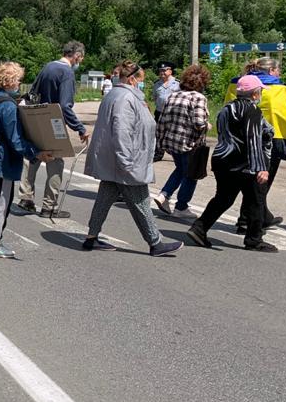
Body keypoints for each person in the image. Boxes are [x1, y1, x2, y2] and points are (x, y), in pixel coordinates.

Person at [82, 61, 183, 256]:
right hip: (125, 160)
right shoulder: (126, 97)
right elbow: (122, 130)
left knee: (104, 198)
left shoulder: (117, 94)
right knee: (141, 202)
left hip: (116, 160)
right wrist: (126, 161)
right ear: (131, 79)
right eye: (140, 80)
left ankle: (91, 237)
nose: (141, 84)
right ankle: (156, 243)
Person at [0, 62, 53, 258]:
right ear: (9, 81)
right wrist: (36, 153)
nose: (19, 83)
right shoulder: (7, 106)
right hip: (1, 161)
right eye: (18, 79)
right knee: (2, 202)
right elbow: (15, 139)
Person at [187, 75, 277, 252]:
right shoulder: (251, 111)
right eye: (259, 92)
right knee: (256, 200)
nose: (260, 95)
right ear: (254, 94)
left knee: (224, 198)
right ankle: (254, 240)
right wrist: (261, 168)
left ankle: (199, 228)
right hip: (244, 163)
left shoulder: (226, 109)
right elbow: (253, 140)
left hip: (222, 160)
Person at [225, 57, 286, 232]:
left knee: (249, 179)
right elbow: (285, 116)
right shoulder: (278, 89)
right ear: (272, 71)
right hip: (271, 139)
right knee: (261, 182)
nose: (279, 73)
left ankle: (263, 216)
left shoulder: (238, 83)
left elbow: (229, 108)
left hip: (242, 138)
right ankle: (246, 221)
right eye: (278, 70)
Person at [17, 41, 90, 218]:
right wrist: (79, 128)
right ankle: (49, 207)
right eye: (81, 58)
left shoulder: (48, 66)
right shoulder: (67, 73)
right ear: (77, 56)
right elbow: (64, 106)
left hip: (36, 117)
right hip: (53, 119)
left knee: (33, 157)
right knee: (55, 162)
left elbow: (33, 92)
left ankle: (26, 198)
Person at [152, 64, 211, 218]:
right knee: (191, 175)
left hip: (172, 142)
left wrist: (160, 142)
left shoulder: (173, 95)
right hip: (189, 144)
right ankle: (181, 207)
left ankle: (164, 194)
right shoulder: (198, 98)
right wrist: (208, 125)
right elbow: (199, 123)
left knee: (180, 169)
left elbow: (162, 120)